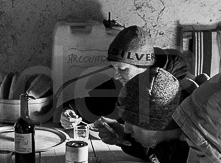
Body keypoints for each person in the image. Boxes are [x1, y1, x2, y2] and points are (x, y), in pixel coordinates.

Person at [61, 25, 192, 141]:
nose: (116, 75)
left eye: (122, 69)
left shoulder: (173, 92)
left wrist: (124, 135)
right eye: (114, 68)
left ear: (144, 66)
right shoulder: (124, 84)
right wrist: (69, 113)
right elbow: (85, 105)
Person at [112, 66, 198, 163]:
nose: (127, 129)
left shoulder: (200, 153)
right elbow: (151, 151)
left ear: (159, 124)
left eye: (132, 122)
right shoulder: (168, 141)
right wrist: (122, 137)